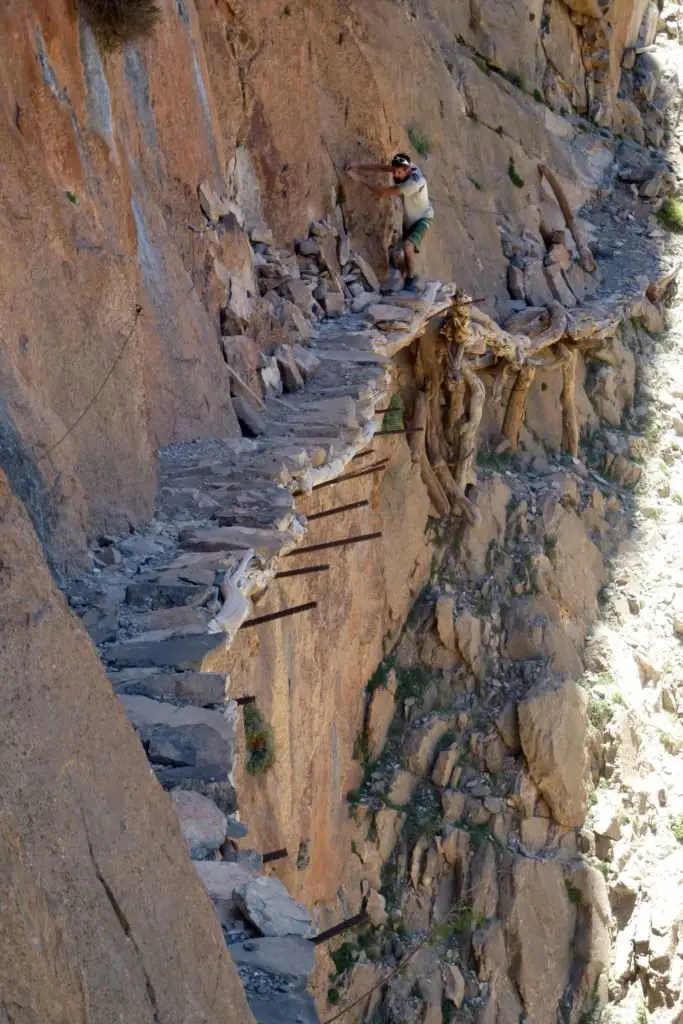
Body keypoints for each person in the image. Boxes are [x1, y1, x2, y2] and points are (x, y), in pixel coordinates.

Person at [345, 153, 434, 293]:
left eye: (399, 172)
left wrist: (358, 179)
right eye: (395, 171)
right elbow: (382, 168)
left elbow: (382, 192)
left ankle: (410, 279)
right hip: (410, 218)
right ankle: (403, 273)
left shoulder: (413, 184)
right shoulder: (408, 167)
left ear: (407, 170)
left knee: (408, 246)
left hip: (423, 218)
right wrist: (357, 166)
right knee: (400, 252)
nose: (396, 175)